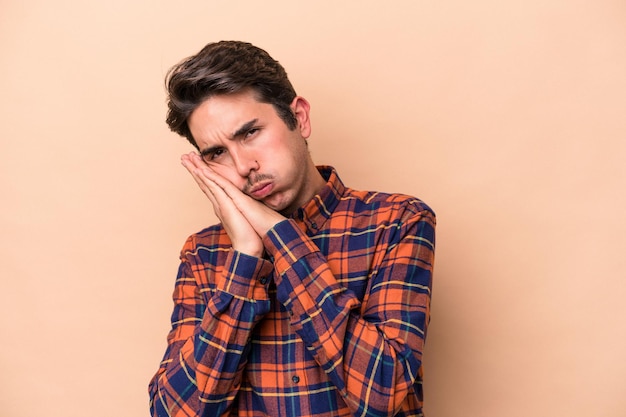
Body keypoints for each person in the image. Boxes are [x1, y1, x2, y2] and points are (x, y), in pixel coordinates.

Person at [148, 40, 436, 417]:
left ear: (299, 117)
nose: (243, 165)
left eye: (249, 133)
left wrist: (279, 235)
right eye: (217, 153)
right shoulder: (203, 254)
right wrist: (246, 259)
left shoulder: (397, 221)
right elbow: (173, 412)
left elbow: (384, 391)